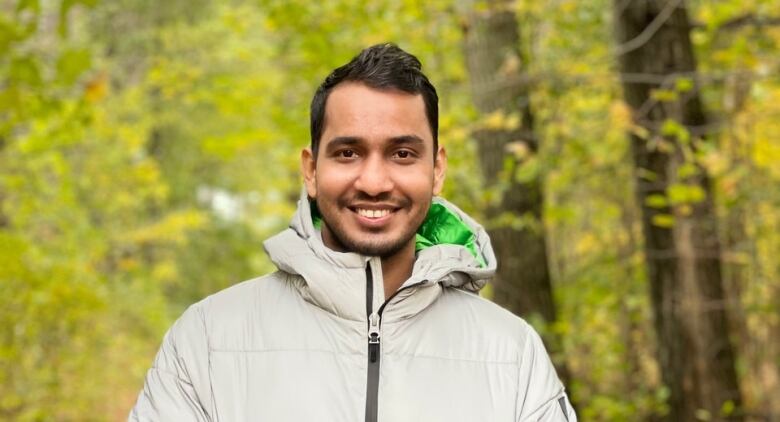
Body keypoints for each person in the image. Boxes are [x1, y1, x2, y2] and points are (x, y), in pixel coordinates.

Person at [129, 43, 576, 422]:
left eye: (402, 153)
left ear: (436, 169)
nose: (375, 181)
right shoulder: (207, 341)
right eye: (348, 153)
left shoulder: (512, 355)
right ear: (311, 169)